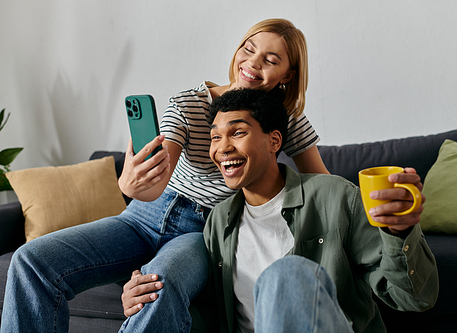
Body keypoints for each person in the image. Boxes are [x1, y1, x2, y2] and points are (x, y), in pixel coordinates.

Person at [0, 19, 330, 333]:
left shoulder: (285, 120)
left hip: (201, 233)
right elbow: (159, 172)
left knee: (157, 283)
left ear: (288, 73)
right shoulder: (190, 103)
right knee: (31, 261)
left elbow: (324, 184)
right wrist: (131, 183)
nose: (253, 63)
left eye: (270, 59)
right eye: (248, 48)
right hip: (141, 218)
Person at [124, 88, 438, 332]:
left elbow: (413, 298)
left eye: (238, 132)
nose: (222, 148)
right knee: (156, 295)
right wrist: (146, 300)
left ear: (274, 141)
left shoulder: (337, 196)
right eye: (215, 137)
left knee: (285, 275)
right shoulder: (219, 220)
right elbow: (210, 316)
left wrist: (400, 233)